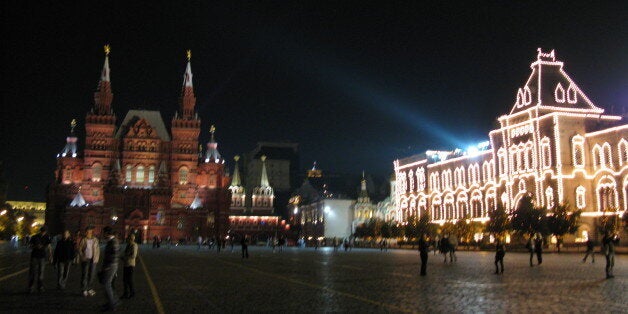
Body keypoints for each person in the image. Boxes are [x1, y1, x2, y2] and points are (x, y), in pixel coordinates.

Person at [28, 226, 52, 293]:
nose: (43, 233)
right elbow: (29, 246)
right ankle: (31, 287)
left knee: (41, 273)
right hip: (34, 256)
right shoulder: (34, 237)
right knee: (32, 272)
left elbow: (49, 246)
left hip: (42, 256)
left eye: (44, 232)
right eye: (42, 231)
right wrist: (36, 246)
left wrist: (50, 255)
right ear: (40, 231)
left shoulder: (47, 237)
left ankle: (40, 287)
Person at [101, 226, 120, 311]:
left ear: (107, 233)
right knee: (108, 284)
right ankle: (112, 301)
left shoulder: (113, 242)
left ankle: (112, 304)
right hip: (112, 265)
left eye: (104, 233)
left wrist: (107, 267)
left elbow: (114, 255)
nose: (103, 234)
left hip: (110, 266)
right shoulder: (112, 241)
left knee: (107, 284)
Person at [79, 226, 99, 297]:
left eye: (89, 232)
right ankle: (84, 289)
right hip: (86, 259)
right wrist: (82, 256)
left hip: (93, 260)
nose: (88, 233)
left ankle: (89, 288)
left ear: (91, 232)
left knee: (92, 275)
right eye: (87, 232)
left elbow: (97, 250)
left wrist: (96, 259)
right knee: (85, 274)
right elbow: (80, 249)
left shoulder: (95, 240)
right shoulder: (83, 240)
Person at [122, 233, 139, 299]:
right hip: (126, 264)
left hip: (130, 264)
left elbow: (133, 255)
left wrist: (125, 257)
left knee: (130, 280)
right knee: (125, 280)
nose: (127, 238)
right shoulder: (129, 244)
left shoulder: (134, 245)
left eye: (128, 238)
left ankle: (132, 293)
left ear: (131, 239)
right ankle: (125, 293)